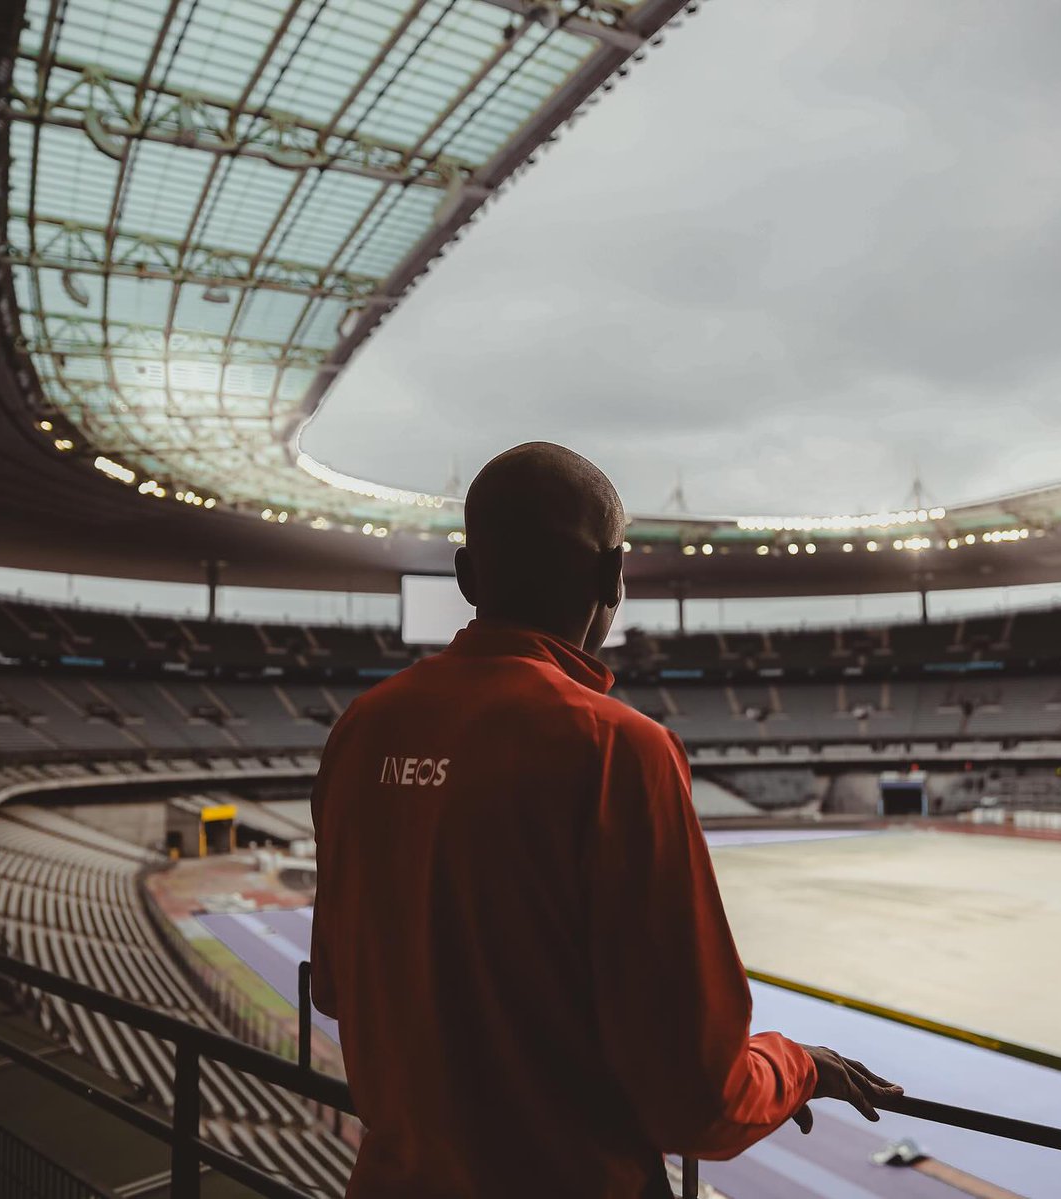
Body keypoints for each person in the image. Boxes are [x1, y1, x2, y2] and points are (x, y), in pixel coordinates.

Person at [310, 442, 902, 1199]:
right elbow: (701, 1100)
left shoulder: (363, 729)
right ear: (614, 576)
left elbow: (333, 987)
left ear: (466, 576)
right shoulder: (620, 749)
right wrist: (799, 1064)